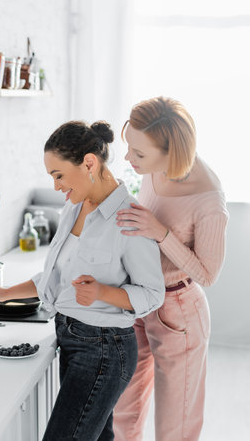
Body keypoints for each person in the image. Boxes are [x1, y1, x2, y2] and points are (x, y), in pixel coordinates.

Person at [0, 120, 165, 441]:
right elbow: (56, 277)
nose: (57, 186)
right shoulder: (73, 208)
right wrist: (1, 292)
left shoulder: (129, 219)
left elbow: (153, 294)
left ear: (89, 163)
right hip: (71, 338)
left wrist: (103, 292)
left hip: (105, 349)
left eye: (58, 175)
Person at [113, 96, 229, 441]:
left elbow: (208, 275)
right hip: (136, 301)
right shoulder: (153, 169)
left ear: (171, 153)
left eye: (139, 154)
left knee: (175, 428)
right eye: (129, 147)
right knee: (122, 415)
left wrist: (161, 234)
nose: (128, 159)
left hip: (177, 314)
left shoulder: (209, 201)